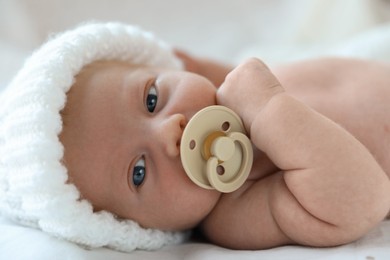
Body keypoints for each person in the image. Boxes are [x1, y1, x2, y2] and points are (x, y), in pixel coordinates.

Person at [0, 22, 389, 252]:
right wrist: (269, 109)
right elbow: (363, 199)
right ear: (140, 228)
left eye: (151, 99)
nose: (169, 132)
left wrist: (210, 71)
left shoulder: (227, 88)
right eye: (139, 171)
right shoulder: (235, 210)